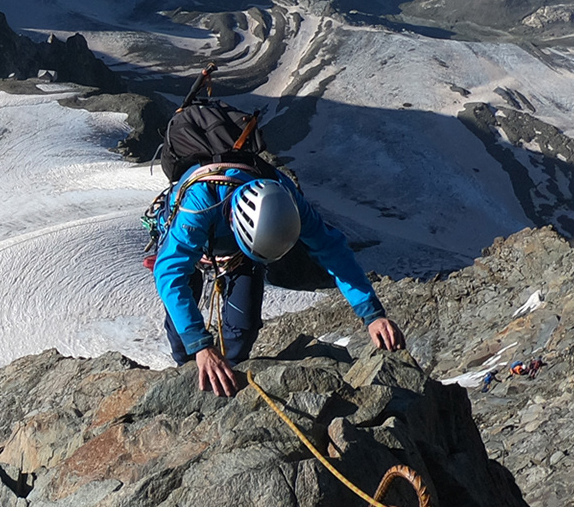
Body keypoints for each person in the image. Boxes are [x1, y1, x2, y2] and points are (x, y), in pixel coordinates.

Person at [155, 163, 404, 396]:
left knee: (243, 329)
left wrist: (372, 314)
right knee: (182, 326)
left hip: (241, 254)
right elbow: (170, 273)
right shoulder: (199, 203)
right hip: (193, 241)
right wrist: (199, 345)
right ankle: (187, 374)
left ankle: (224, 380)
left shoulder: (289, 200)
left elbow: (332, 250)